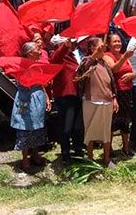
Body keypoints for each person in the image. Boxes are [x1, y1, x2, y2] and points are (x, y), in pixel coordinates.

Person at [77, 37, 119, 167]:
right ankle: (90, 158)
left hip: (107, 101)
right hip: (91, 100)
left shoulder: (104, 63)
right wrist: (95, 54)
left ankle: (106, 159)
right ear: (92, 48)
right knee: (90, 131)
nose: (103, 48)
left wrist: (114, 98)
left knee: (106, 131)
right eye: (100, 46)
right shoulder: (86, 60)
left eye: (103, 46)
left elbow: (111, 82)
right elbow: (84, 68)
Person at [11, 42, 51, 171]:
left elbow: (41, 83)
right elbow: (23, 83)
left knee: (38, 126)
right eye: (37, 49)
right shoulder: (22, 66)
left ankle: (35, 154)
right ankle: (25, 159)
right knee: (25, 127)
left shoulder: (38, 65)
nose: (40, 51)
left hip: (38, 98)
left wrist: (47, 98)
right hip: (26, 99)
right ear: (29, 53)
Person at [49, 38, 85, 165]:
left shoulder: (73, 56)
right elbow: (54, 59)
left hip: (77, 94)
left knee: (77, 126)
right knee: (66, 126)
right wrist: (64, 46)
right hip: (65, 95)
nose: (72, 45)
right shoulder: (57, 55)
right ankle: (65, 153)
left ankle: (78, 149)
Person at [103, 33, 135, 156]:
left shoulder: (123, 55)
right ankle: (109, 149)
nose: (118, 43)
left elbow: (133, 70)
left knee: (126, 121)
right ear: (108, 44)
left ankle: (125, 147)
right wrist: (124, 58)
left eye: (119, 41)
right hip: (115, 93)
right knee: (112, 122)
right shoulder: (107, 56)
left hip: (127, 92)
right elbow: (114, 69)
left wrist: (133, 75)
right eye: (115, 41)